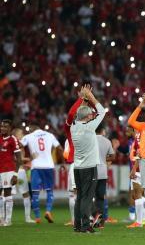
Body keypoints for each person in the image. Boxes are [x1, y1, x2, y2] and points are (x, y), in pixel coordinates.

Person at [71, 86, 106, 233]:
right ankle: (86, 226)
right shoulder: (89, 127)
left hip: (77, 167)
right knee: (87, 197)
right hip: (89, 167)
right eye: (90, 114)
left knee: (79, 197)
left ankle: (77, 225)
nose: (92, 115)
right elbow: (102, 111)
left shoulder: (74, 126)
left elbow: (77, 114)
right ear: (87, 117)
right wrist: (90, 96)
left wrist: (83, 100)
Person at [21, 123, 63, 224]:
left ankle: (37, 217)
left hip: (36, 166)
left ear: (31, 129)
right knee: (49, 191)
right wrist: (62, 162)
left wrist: (25, 158)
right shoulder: (50, 135)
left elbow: (18, 145)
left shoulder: (28, 136)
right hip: (49, 166)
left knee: (35, 193)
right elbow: (60, 148)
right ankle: (48, 211)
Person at [127, 93, 145, 229]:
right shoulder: (143, 127)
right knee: (143, 193)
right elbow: (130, 122)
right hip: (142, 163)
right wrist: (140, 107)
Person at [0, 120, 22, 226]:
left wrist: (15, 174)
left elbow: (19, 159)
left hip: (8, 170)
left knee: (7, 194)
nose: (2, 128)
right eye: (1, 126)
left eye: (5, 127)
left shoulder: (13, 139)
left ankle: (8, 220)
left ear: (10, 128)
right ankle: (1, 219)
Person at [11, 128, 35, 223]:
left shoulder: (12, 143)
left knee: (8, 194)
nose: (23, 134)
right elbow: (18, 158)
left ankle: (4, 218)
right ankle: (27, 218)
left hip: (13, 171)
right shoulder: (18, 144)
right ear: (16, 135)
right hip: (19, 172)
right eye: (21, 133)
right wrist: (30, 159)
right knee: (25, 194)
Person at [93, 125, 115, 228]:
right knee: (100, 197)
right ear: (102, 131)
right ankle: (101, 222)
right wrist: (103, 159)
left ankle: (91, 218)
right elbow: (113, 156)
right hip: (102, 171)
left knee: (88, 196)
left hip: (91, 171)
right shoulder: (107, 141)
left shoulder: (90, 140)